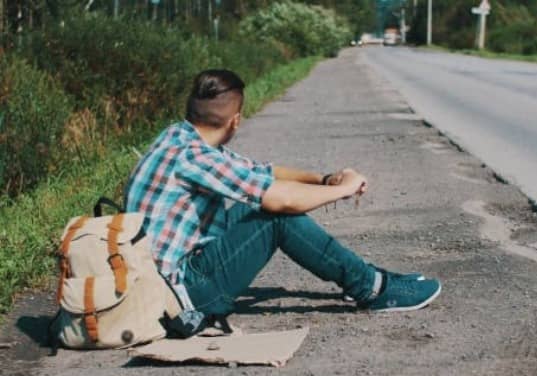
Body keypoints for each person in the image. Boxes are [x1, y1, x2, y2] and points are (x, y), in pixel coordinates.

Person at [124, 69, 441, 332]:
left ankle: (372, 277)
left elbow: (262, 173)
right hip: (181, 299)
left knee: (257, 202)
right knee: (276, 216)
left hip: (158, 281)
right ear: (235, 121)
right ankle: (371, 288)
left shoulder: (178, 139)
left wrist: (325, 178)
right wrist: (343, 190)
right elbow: (283, 201)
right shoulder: (196, 158)